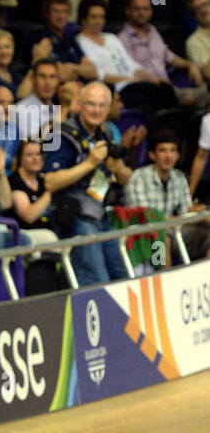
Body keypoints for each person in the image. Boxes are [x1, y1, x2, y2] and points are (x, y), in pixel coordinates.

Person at [42, 80, 132, 286]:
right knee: (98, 281)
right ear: (80, 104)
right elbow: (50, 182)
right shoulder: (62, 133)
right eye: (91, 104)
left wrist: (117, 168)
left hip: (101, 213)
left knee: (123, 277)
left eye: (102, 106)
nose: (96, 110)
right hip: (74, 217)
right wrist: (90, 162)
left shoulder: (106, 132)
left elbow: (124, 176)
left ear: (109, 109)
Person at [126, 128, 195, 216]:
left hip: (171, 228)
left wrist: (195, 213)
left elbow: (186, 212)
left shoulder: (180, 177)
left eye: (172, 150)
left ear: (178, 156)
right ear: (152, 155)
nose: (168, 156)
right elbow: (146, 220)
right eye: (162, 150)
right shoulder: (138, 178)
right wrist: (184, 217)